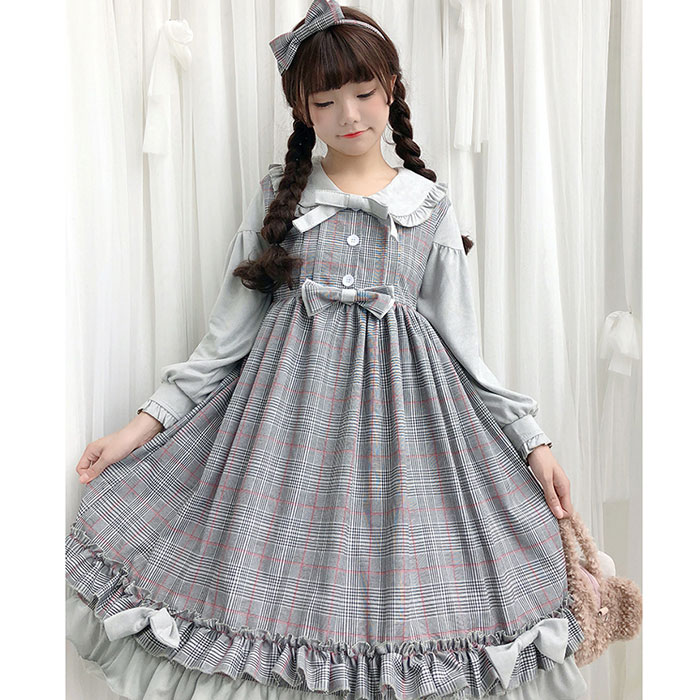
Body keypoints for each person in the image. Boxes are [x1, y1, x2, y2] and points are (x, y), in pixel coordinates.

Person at [66, 1, 587, 699]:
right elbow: (223, 342)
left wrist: (533, 442)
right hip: (280, 448)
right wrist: (139, 427)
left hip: (409, 448)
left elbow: (466, 352)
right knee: (271, 595)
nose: (349, 114)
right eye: (325, 100)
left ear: (391, 88)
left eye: (364, 92)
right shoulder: (278, 201)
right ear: (302, 110)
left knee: (403, 599)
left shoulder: (429, 206)